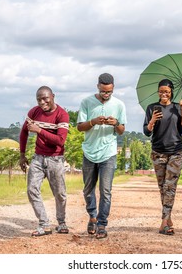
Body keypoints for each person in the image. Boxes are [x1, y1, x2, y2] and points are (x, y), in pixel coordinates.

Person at [76, 73, 127, 239]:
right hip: (89, 151)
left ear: (113, 88)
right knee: (88, 189)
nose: (107, 95)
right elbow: (80, 127)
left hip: (108, 153)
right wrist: (93, 121)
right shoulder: (86, 102)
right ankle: (92, 215)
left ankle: (102, 224)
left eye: (110, 92)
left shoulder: (119, 105)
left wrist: (115, 124)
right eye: (104, 91)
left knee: (106, 191)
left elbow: (121, 130)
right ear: (98, 86)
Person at [19, 86, 70, 237]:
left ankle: (61, 223)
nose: (42, 102)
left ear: (53, 96)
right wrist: (22, 155)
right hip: (38, 158)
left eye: (45, 98)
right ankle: (44, 224)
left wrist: (40, 130)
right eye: (39, 99)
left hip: (56, 159)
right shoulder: (34, 112)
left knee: (60, 193)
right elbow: (24, 133)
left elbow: (60, 141)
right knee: (31, 189)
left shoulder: (62, 115)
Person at [143, 79, 182, 235]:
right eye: (161, 91)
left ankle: (163, 223)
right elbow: (147, 132)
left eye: (167, 91)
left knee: (170, 186)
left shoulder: (177, 107)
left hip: (176, 151)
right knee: (163, 187)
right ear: (158, 92)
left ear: (171, 92)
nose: (164, 94)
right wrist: (152, 121)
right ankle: (168, 219)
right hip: (158, 151)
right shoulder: (151, 108)